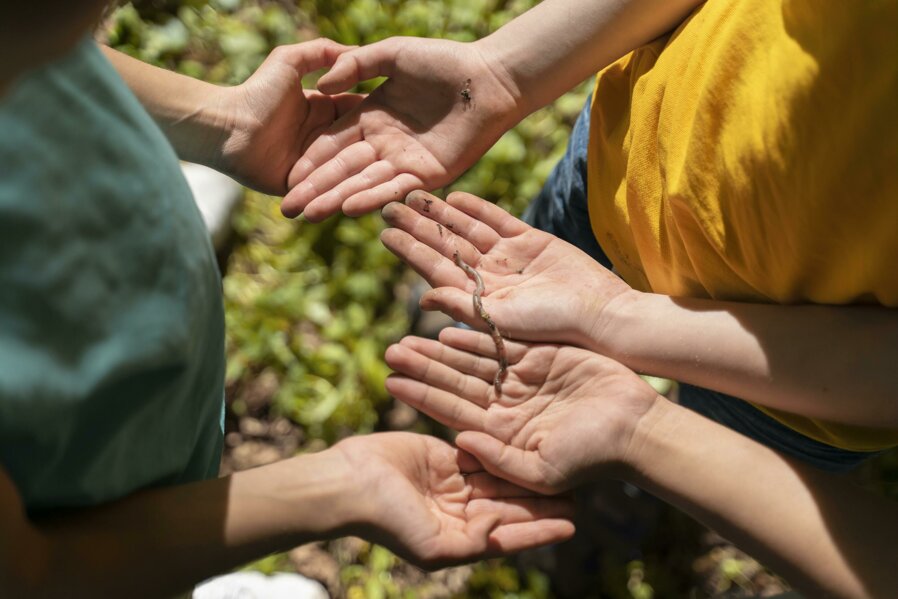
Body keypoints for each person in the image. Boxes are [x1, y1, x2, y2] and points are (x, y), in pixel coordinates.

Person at [275, 0, 898, 594]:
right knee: (508, 288)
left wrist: (633, 383)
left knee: (697, 455)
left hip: (799, 376)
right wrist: (500, 73)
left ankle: (603, 503)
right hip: (627, 164)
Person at [0, 4, 574, 596]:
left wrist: (220, 122)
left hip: (133, 363)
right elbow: (33, 574)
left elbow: (39, 42)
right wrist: (342, 486)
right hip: (88, 515)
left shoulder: (29, 42)